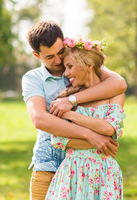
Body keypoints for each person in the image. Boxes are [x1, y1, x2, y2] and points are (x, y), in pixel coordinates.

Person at [22, 21, 127, 200]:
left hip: (90, 170)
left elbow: (119, 84)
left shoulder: (79, 64)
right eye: (49, 57)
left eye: (60, 52)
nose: (57, 61)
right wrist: (90, 135)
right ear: (36, 55)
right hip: (48, 166)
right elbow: (40, 119)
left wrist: (72, 101)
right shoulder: (33, 78)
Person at [45, 36, 125, 199]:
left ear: (88, 65)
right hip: (72, 173)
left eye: (69, 66)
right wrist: (98, 139)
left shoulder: (114, 94)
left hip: (105, 175)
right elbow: (58, 140)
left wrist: (70, 114)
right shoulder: (65, 95)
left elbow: (109, 129)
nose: (66, 73)